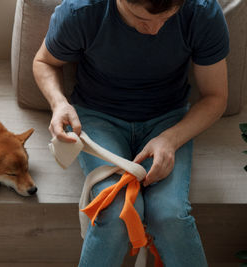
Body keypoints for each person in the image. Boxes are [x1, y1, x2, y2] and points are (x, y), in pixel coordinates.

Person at [33, 0, 229, 266]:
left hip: (168, 120)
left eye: (167, 19)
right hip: (98, 117)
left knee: (170, 215)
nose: (155, 30)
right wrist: (59, 104)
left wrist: (170, 140)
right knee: (114, 212)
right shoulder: (82, 11)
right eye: (142, 19)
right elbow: (44, 61)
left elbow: (215, 97)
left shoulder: (201, 11)